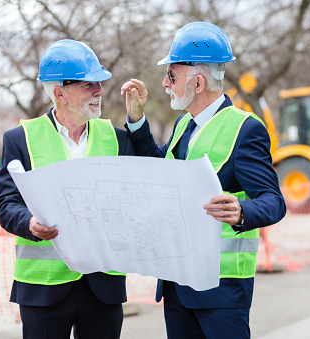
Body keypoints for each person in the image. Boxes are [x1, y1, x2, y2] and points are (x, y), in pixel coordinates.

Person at [121, 22, 286, 339]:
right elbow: (162, 171)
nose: (164, 83)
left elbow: (274, 202)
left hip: (221, 289)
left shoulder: (245, 129)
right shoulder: (184, 125)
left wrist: (241, 212)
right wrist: (138, 120)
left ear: (197, 82)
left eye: (171, 75)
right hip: (178, 283)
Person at [0, 39, 134, 339]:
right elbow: (6, 204)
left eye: (99, 83)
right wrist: (29, 224)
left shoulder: (119, 139)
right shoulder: (21, 139)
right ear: (59, 92)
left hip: (103, 286)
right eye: (89, 85)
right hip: (44, 289)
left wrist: (138, 120)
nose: (99, 91)